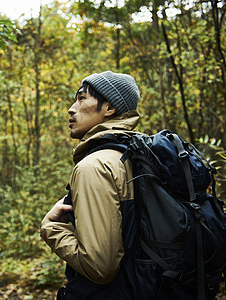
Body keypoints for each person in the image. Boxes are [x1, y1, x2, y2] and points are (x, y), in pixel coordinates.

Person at [40, 71, 141, 299]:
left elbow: (100, 267)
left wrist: (50, 228)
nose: (71, 108)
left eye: (82, 98)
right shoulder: (134, 155)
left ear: (109, 108)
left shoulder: (94, 166)